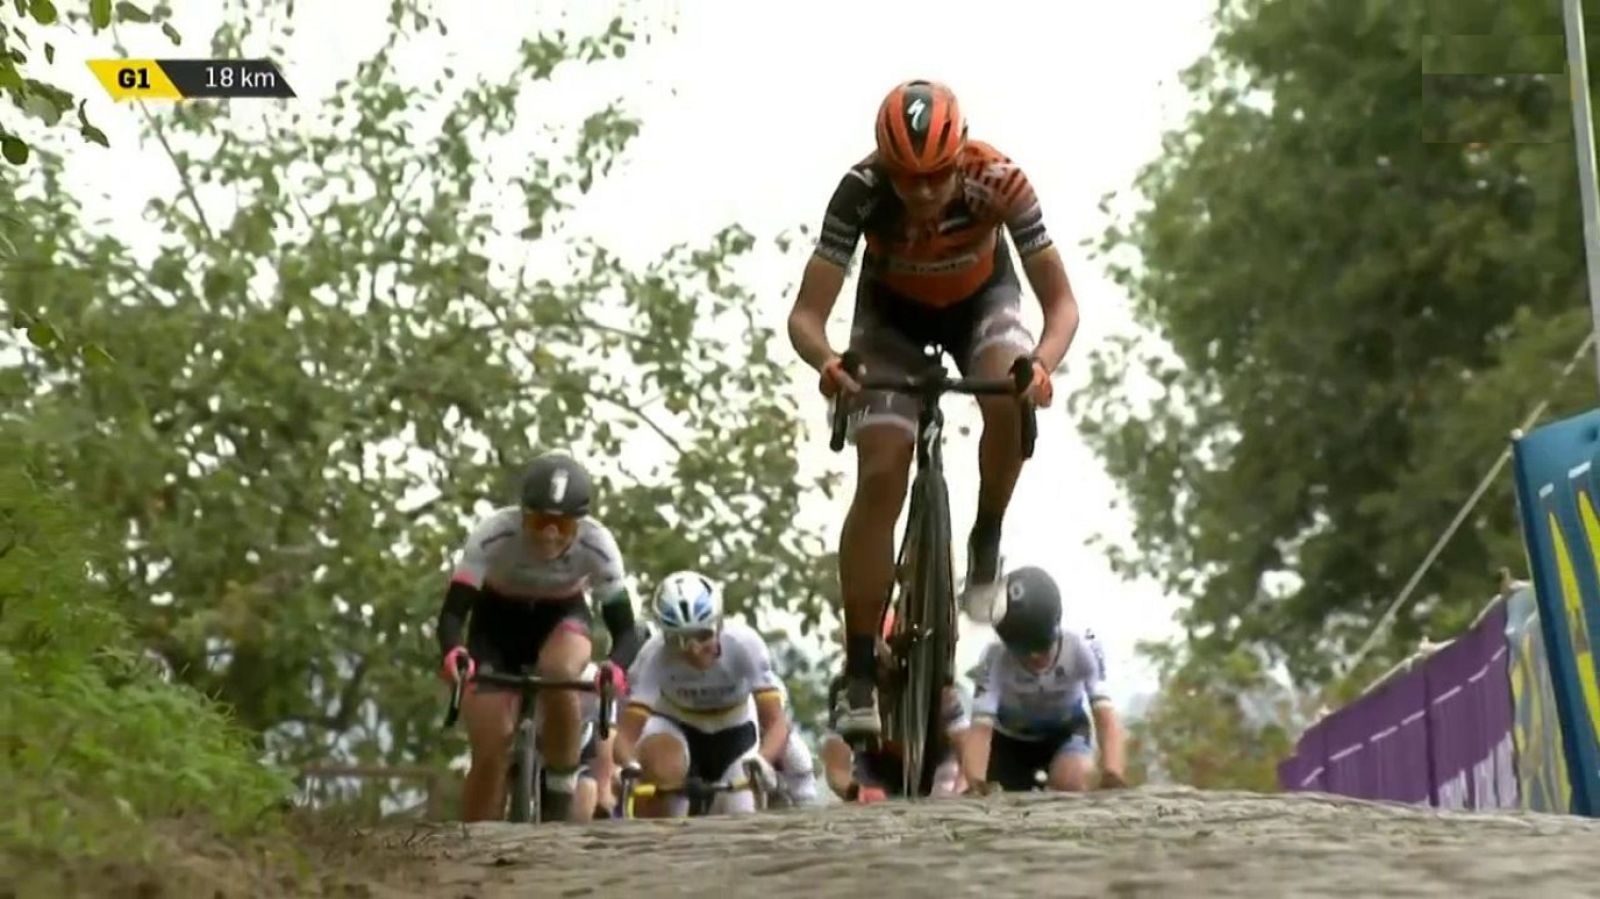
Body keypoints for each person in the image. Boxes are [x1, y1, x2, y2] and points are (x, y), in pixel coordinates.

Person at [785, 78, 1082, 738]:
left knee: (1006, 382)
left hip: (982, 302)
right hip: (889, 320)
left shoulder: (999, 181)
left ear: (960, 159)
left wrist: (1042, 367)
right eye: (906, 180)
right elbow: (805, 315)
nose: (921, 194)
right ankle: (860, 669)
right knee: (882, 469)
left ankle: (985, 536)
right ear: (883, 165)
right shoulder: (860, 192)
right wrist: (828, 361)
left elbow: (1061, 305)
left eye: (936, 179)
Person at [435, 452, 646, 823]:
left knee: (559, 670)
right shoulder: (493, 534)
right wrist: (453, 651)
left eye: (562, 527)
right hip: (495, 624)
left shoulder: (598, 545)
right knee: (491, 749)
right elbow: (454, 612)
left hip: (560, 616)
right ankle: (476, 841)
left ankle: (560, 787)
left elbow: (625, 630)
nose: (549, 535)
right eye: (539, 522)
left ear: (580, 525)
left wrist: (616, 666)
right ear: (522, 514)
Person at [615, 571, 789, 818]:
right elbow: (625, 737)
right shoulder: (652, 656)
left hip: (735, 731)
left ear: (719, 624)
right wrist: (630, 765)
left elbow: (777, 722)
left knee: (740, 819)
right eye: (679, 640)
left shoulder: (744, 644)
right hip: (675, 726)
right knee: (663, 765)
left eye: (703, 635)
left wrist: (764, 759)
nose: (695, 650)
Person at [959, 566, 1127, 793]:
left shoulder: (1082, 646)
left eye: (1042, 647)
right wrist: (975, 783)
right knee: (994, 794)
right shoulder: (994, 657)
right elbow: (980, 730)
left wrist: (1112, 774)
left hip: (1065, 733)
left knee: (1073, 778)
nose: (1034, 657)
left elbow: (1106, 718)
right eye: (1023, 651)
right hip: (1008, 741)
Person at [818, 607, 970, 802]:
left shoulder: (935, 685)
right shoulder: (844, 686)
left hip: (935, 760)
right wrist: (855, 792)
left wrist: (961, 790)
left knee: (944, 796)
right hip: (876, 765)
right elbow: (836, 768)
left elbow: (966, 752)